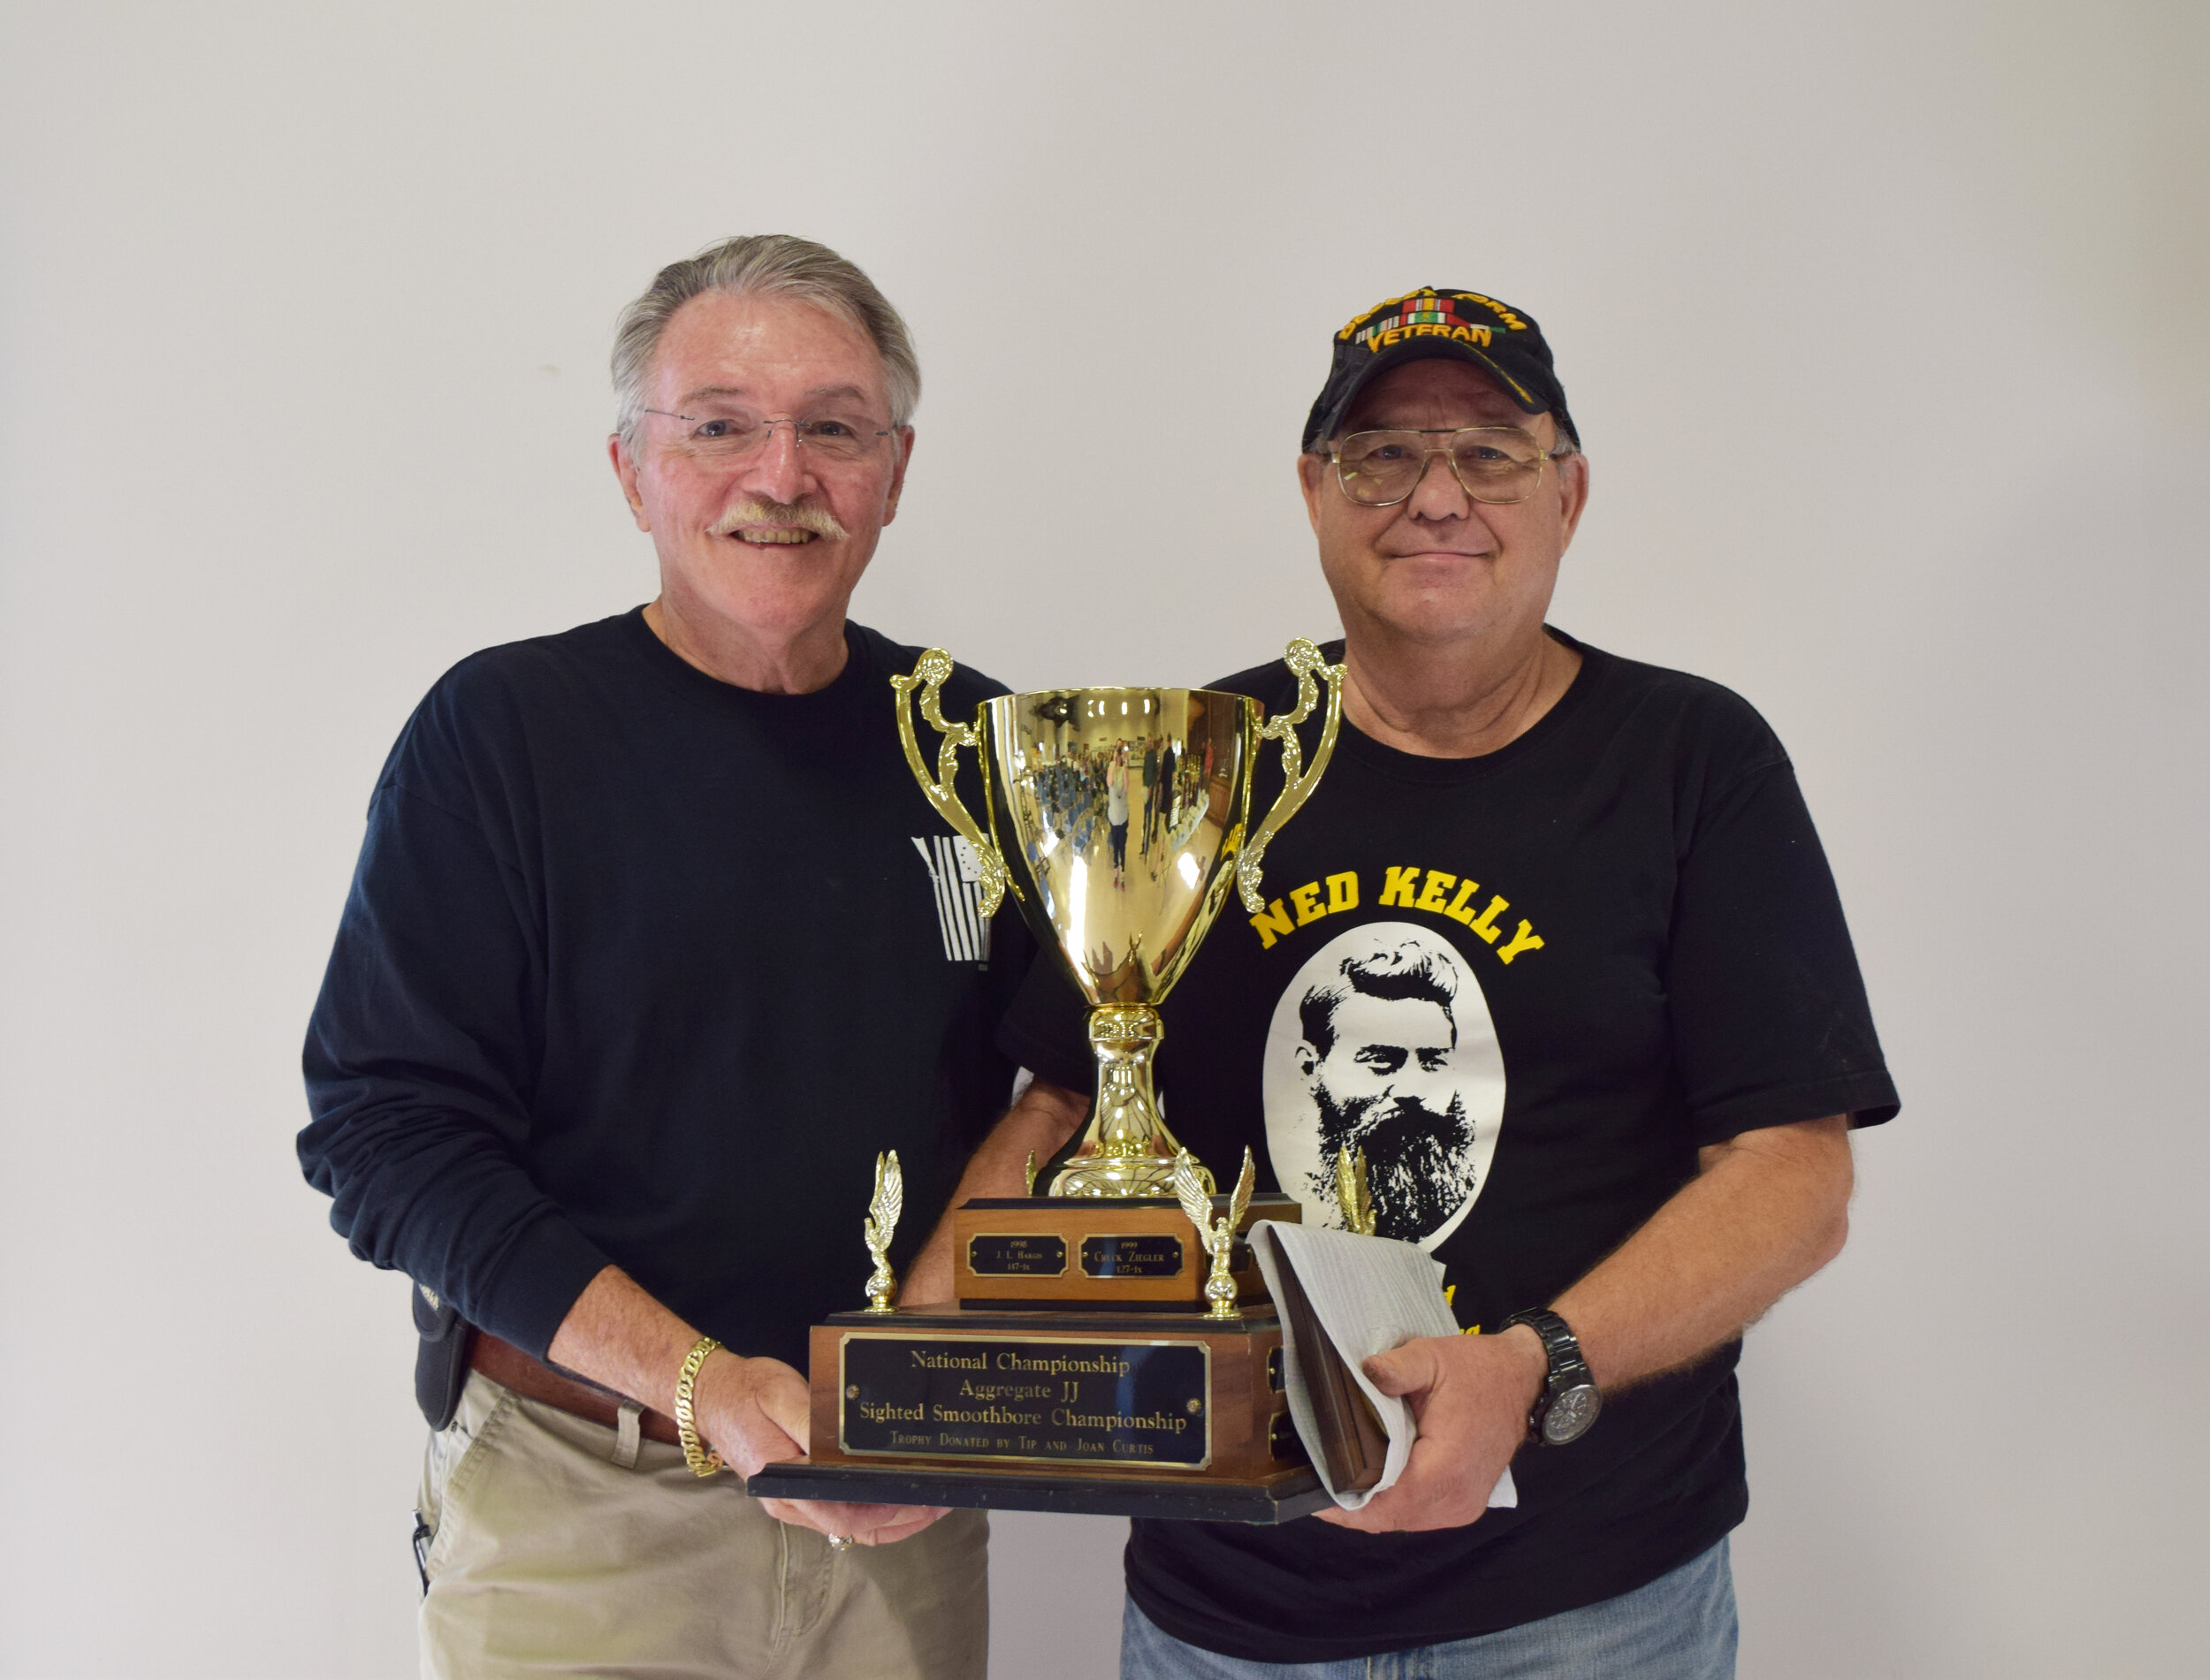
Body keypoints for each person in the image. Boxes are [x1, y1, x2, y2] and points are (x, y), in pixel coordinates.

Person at [953, 286, 1900, 1676]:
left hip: (1594, 1608)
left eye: (1491, 453)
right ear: (1314, 495)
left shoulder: (1694, 763)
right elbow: (1056, 1113)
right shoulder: (1204, 763)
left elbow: (1793, 1175)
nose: (1435, 497)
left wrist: (1534, 1364)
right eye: (1381, 457)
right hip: (1232, 1616)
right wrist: (904, 1390)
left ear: (1568, 492)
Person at [299, 234, 1027, 1678]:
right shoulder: (503, 737)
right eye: (719, 427)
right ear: (633, 469)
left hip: (898, 1523)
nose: (781, 474)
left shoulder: (982, 745)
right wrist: (706, 1386)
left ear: (893, 469)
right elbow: (383, 1136)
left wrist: (927, 1355)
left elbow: (1064, 1083)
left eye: (833, 427)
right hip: (586, 1507)